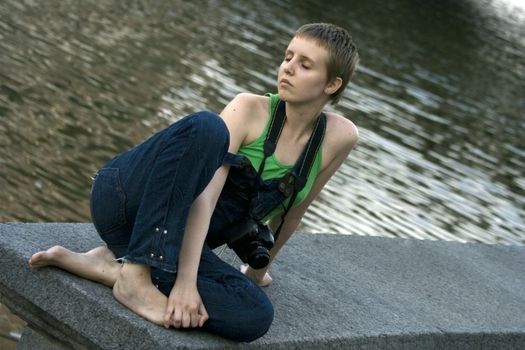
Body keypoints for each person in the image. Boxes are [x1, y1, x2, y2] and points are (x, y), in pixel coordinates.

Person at [29, 23, 359, 342]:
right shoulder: (249, 108)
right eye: (288, 57)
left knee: (254, 315)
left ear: (331, 84)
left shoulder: (339, 137)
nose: (287, 68)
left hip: (173, 240)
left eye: (305, 65)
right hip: (124, 201)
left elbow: (294, 211)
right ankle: (135, 275)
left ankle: (113, 267)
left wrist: (257, 271)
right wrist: (185, 282)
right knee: (207, 127)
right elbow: (205, 197)